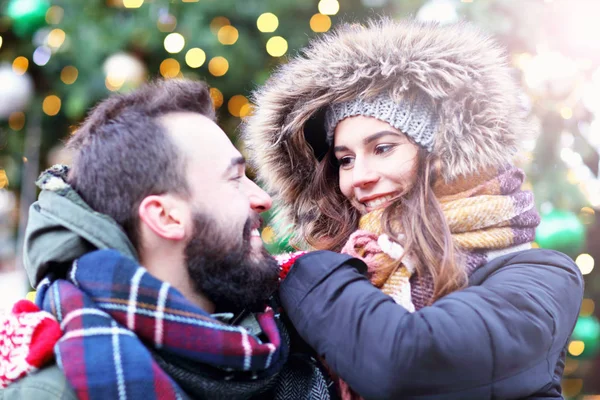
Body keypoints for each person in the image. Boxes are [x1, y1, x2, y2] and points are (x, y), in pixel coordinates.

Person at [243, 18, 584, 399]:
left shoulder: (543, 277)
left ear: (443, 158)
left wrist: (309, 272)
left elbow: (410, 362)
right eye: (345, 160)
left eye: (383, 148)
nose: (358, 178)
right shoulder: (344, 266)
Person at [0, 79, 336, 400]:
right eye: (235, 178)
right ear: (166, 217)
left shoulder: (301, 334)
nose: (262, 197)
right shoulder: (50, 390)